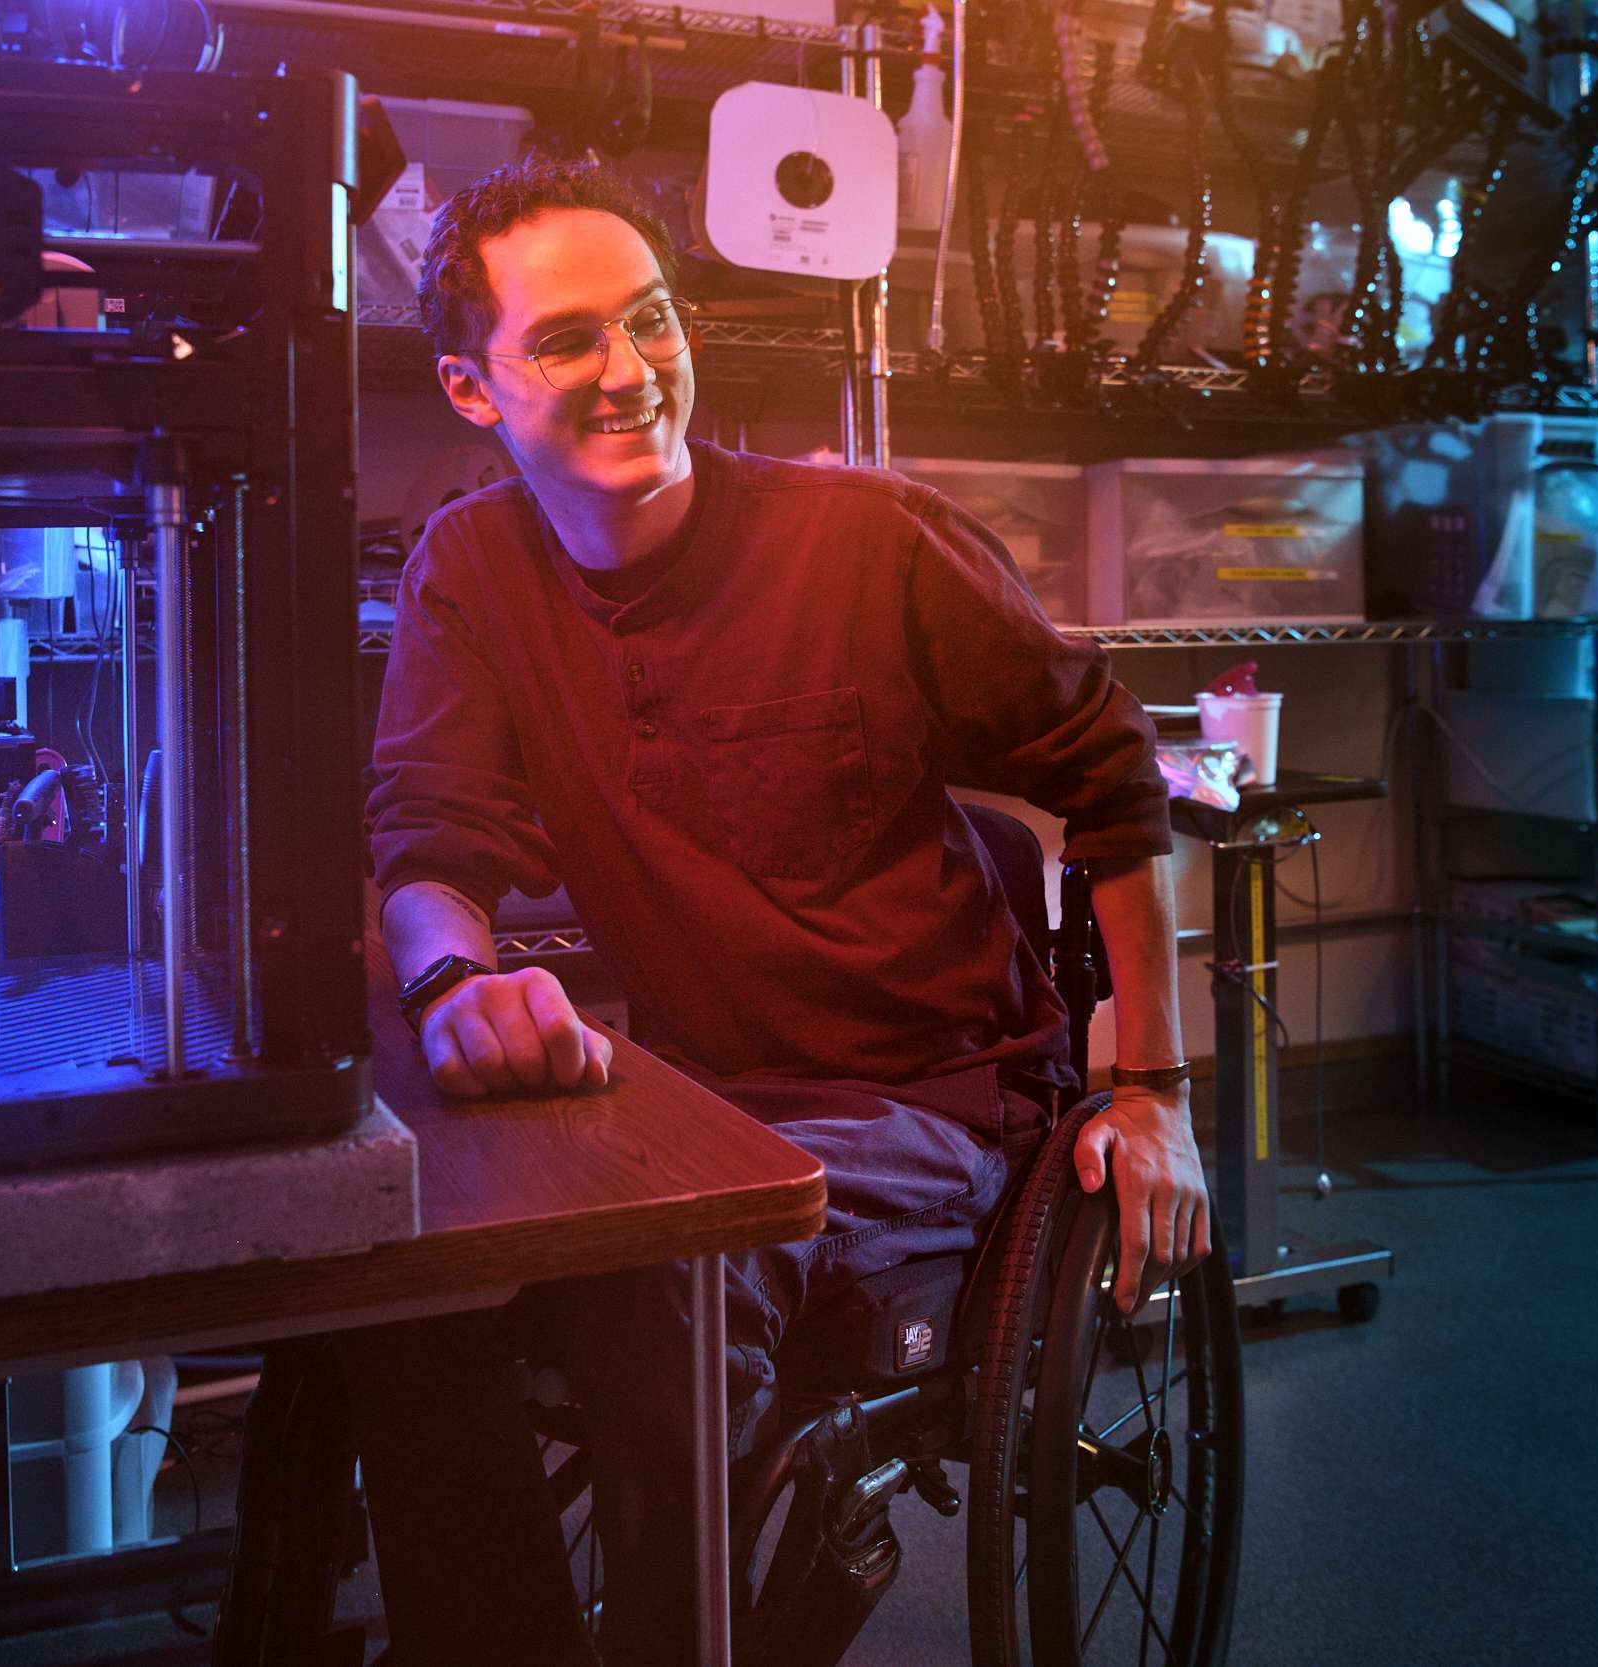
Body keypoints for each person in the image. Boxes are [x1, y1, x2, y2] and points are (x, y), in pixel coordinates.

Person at [344, 155, 1208, 1666]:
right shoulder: (469, 570)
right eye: (566, 341)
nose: (631, 373)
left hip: (929, 1098)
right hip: (699, 1101)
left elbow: (1113, 781)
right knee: (400, 1277)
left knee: (658, 1281)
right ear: (472, 393)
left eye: (654, 320)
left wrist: (1153, 1089)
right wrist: (450, 983)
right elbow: (432, 835)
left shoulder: (869, 542)